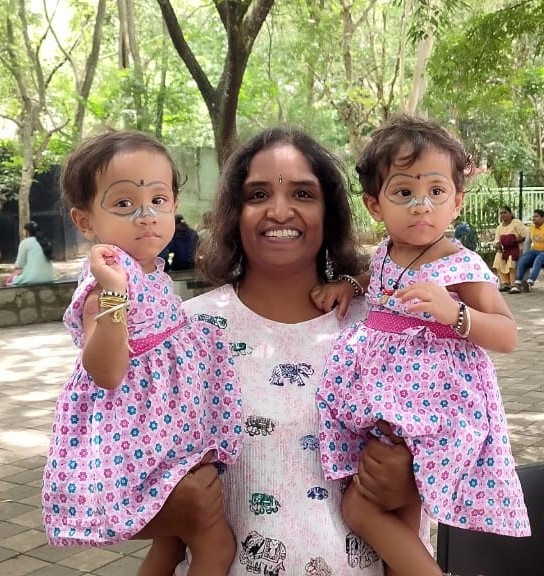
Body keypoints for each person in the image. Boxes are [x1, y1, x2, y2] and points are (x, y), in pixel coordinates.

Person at [181, 126, 431, 576]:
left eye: (302, 193)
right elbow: (128, 475)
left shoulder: (385, 326)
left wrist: (414, 482)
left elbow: (457, 445)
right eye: (258, 194)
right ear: (234, 213)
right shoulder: (189, 330)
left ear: (329, 213)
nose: (280, 211)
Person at [316, 115, 530, 576]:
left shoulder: (459, 263)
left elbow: (508, 334)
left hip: (436, 408)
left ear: (457, 202)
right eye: (404, 193)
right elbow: (381, 280)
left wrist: (453, 313)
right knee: (399, 520)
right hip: (389, 402)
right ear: (375, 205)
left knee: (361, 507)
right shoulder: (388, 252)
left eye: (436, 191)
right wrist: (349, 285)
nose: (421, 206)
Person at [41, 130, 242, 576]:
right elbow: (106, 371)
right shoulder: (108, 284)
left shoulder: (147, 269)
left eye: (158, 200)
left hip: (167, 430)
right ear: (84, 221)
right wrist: (114, 294)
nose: (146, 215)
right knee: (216, 545)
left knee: (171, 548)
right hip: (139, 437)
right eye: (124, 203)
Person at [4, 220, 54, 286]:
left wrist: (12, 276)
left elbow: (19, 265)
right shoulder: (46, 242)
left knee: (10, 280)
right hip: (49, 278)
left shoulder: (25, 243)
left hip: (32, 278)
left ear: (26, 232)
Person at [491, 206, 526, 292]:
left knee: (511, 261)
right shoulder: (499, 227)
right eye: (501, 213)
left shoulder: (516, 223)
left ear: (510, 214)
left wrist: (513, 241)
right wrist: (498, 245)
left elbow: (524, 236)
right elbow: (496, 240)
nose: (503, 215)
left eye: (505, 213)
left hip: (516, 248)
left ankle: (513, 284)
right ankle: (505, 283)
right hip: (505, 249)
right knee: (498, 258)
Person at [509, 209, 544, 293]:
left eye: (536, 216)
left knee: (539, 258)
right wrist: (525, 255)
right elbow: (527, 243)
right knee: (522, 259)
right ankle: (518, 283)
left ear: (543, 218)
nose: (533, 218)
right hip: (535, 251)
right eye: (533, 216)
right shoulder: (531, 228)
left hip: (543, 253)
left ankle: (530, 281)